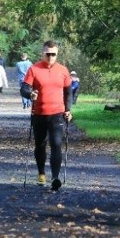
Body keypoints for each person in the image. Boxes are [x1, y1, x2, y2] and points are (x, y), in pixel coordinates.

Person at [20, 40, 72, 191]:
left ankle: (55, 178)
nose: (50, 57)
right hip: (39, 113)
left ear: (57, 54)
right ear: (43, 53)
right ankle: (41, 173)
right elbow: (24, 89)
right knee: (40, 144)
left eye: (53, 54)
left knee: (56, 143)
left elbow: (68, 92)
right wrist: (31, 93)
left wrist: (68, 109)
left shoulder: (63, 70)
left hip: (57, 113)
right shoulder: (34, 69)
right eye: (47, 54)